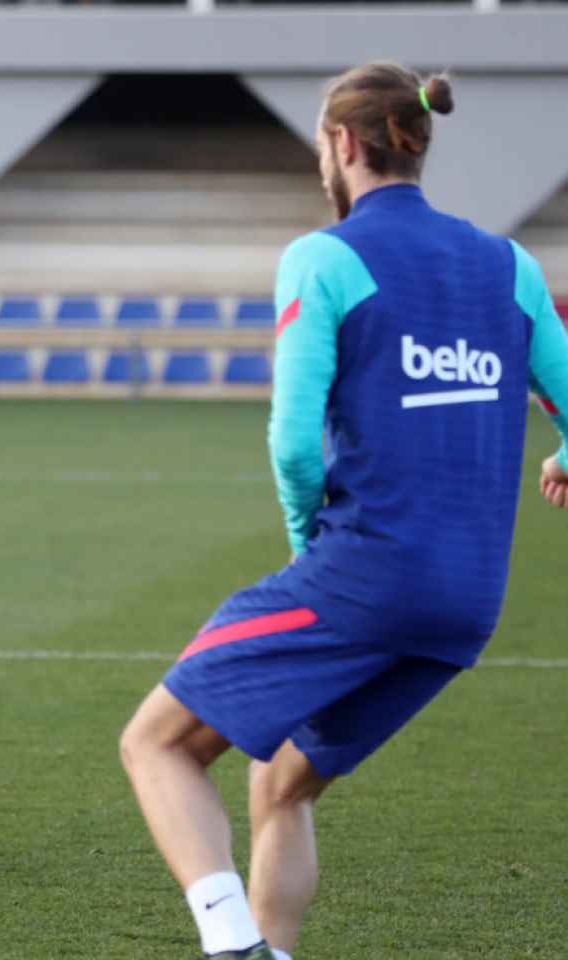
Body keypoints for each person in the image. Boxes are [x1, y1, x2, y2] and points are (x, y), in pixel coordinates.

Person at [117, 62, 568, 960]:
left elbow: (291, 443)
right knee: (282, 786)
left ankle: (230, 942)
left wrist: (305, 553)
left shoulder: (323, 256)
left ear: (340, 144)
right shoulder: (509, 264)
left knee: (156, 744)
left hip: (365, 576)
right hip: (468, 604)